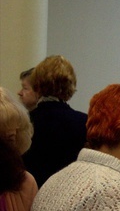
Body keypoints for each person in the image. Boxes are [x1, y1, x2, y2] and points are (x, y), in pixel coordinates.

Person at [22, 55, 87, 187]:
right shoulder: (85, 122)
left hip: (32, 197)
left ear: (37, 85)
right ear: (71, 84)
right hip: (71, 195)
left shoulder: (24, 122)